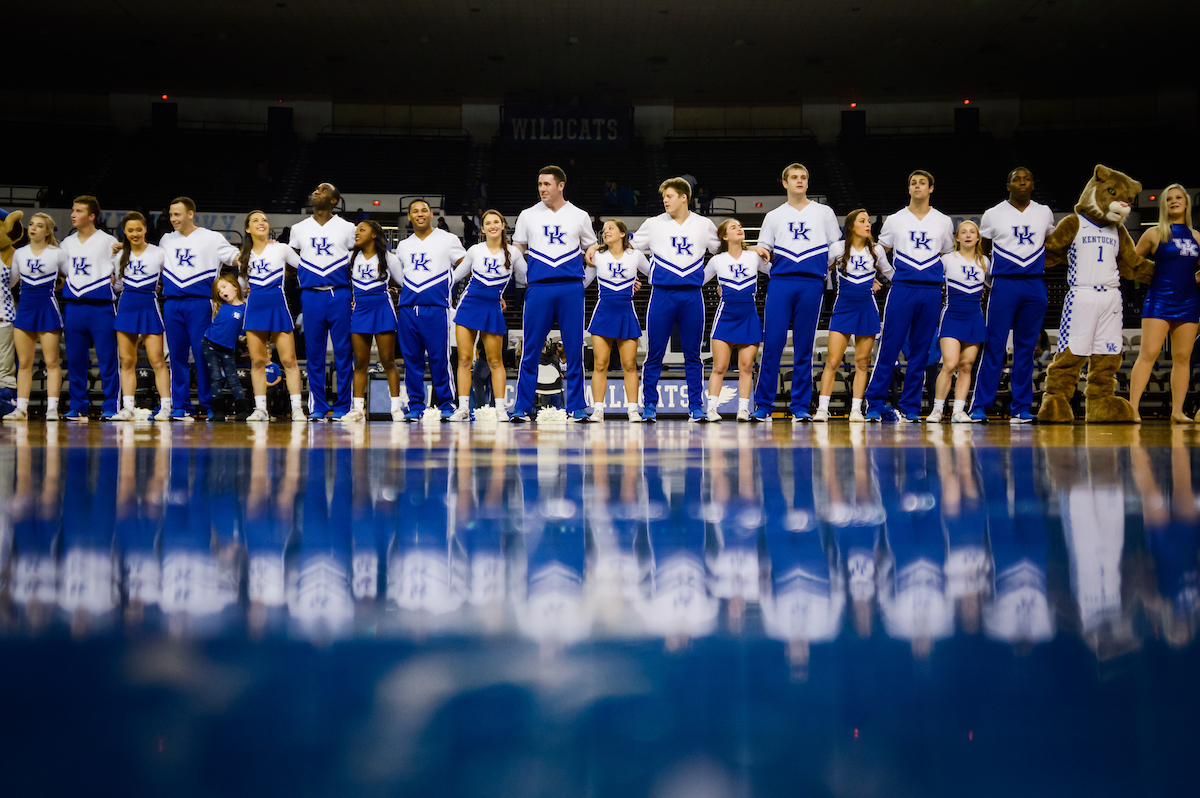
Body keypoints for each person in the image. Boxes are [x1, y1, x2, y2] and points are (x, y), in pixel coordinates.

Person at [750, 163, 842, 422]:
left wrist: (829, 265)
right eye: (794, 177)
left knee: (805, 346)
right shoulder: (774, 215)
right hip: (780, 283)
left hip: (812, 284)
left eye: (803, 177)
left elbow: (837, 246)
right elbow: (763, 249)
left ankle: (800, 407)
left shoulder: (824, 213)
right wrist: (763, 252)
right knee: (773, 344)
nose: (799, 181)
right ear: (785, 183)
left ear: (807, 182)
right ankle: (764, 406)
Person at [863, 171, 955, 422]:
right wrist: (882, 273)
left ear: (931, 188)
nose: (917, 186)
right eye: (913, 182)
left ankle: (911, 406)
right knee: (889, 346)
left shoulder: (944, 221)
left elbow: (948, 255)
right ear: (909, 188)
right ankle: (875, 403)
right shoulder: (895, 219)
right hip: (902, 288)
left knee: (922, 350)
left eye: (922, 183)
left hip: (932, 289)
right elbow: (879, 249)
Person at [968, 168, 1057, 423]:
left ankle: (1021, 408)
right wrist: (989, 280)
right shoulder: (993, 214)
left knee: (1026, 349)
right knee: (994, 346)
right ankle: (980, 406)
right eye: (1016, 179)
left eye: (1026, 179)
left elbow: (1053, 246)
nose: (1021, 182)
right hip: (1003, 284)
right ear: (1008, 185)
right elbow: (981, 251)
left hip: (1034, 284)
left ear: (1032, 185)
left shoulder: (1044, 212)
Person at [627, 177, 719, 422]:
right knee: (654, 354)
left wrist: (750, 250)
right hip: (662, 294)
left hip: (692, 295)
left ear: (683, 197)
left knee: (693, 355)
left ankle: (696, 407)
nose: (665, 200)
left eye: (669, 196)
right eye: (663, 197)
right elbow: (627, 251)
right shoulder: (653, 223)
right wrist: (627, 276)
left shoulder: (704, 224)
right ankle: (649, 407)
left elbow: (726, 252)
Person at [510, 166, 597, 422]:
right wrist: (527, 274)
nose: (542, 189)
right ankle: (522, 407)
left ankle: (577, 407)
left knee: (574, 349)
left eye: (547, 184)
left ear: (561, 186)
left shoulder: (580, 215)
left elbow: (591, 245)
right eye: (539, 184)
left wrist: (591, 251)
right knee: (531, 350)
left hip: (571, 287)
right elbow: (517, 249)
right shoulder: (527, 215)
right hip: (539, 288)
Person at [159, 196, 240, 420]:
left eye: (177, 214)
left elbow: (237, 257)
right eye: (171, 215)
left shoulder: (212, 238)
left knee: (205, 356)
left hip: (201, 302)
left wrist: (263, 246)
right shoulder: (165, 239)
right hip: (172, 302)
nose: (173, 218)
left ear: (190, 214)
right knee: (176, 357)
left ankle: (211, 404)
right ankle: (181, 405)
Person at [1130, 184, 1200, 422]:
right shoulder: (1154, 233)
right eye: (1168, 199)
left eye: (1178, 197)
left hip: (1188, 301)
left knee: (1182, 357)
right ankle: (1132, 408)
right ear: (1163, 204)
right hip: (1159, 299)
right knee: (1148, 353)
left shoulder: (1197, 236)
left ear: (1186, 203)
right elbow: (1131, 262)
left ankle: (1177, 411)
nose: (1173, 201)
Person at [448, 209, 526, 421]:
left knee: (495, 360)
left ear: (503, 225)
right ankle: (463, 408)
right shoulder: (474, 250)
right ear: (482, 229)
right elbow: (455, 276)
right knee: (464, 359)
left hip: (492, 307)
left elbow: (527, 277)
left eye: (496, 222)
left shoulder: (514, 253)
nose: (492, 226)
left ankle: (500, 408)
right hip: (469, 305)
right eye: (488, 223)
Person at [394, 198, 467, 421]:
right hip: (408, 309)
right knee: (411, 360)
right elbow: (398, 275)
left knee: (439, 359)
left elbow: (467, 261)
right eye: (414, 211)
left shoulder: (448, 239)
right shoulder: (403, 245)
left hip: (436, 308)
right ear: (409, 217)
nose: (420, 214)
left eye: (424, 210)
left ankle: (446, 404)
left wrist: (450, 281)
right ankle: (415, 406)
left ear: (431, 213)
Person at [815, 209, 891, 422]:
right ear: (851, 226)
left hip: (867, 308)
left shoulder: (876, 250)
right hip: (843, 308)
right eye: (862, 221)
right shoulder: (838, 248)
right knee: (833, 361)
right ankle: (822, 409)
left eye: (868, 221)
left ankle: (856, 409)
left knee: (862, 363)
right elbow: (819, 269)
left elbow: (892, 274)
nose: (868, 225)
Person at [290, 183, 357, 420]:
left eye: (324, 190)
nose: (316, 191)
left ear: (334, 201)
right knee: (314, 354)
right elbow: (291, 258)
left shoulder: (348, 227)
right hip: (310, 295)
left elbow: (357, 255)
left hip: (339, 293)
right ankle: (318, 406)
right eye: (315, 189)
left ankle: (342, 407)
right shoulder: (298, 228)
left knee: (343, 353)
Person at [239, 210, 306, 422]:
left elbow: (304, 265)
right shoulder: (243, 255)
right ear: (248, 229)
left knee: (289, 360)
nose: (261, 223)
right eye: (255, 221)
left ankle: (297, 409)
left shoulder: (281, 248)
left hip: (278, 306)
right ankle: (260, 409)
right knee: (258, 361)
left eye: (264, 220)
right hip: (255, 308)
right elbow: (241, 286)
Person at [59, 195, 120, 420]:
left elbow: (119, 272)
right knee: (75, 360)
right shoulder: (66, 243)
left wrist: (115, 285)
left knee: (107, 360)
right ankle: (78, 406)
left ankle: (111, 406)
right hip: (74, 306)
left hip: (101, 307)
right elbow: (64, 272)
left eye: (78, 211)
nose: (73, 214)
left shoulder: (109, 241)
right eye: (73, 210)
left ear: (92, 216)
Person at [340, 220, 404, 423]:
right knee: (360, 362)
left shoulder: (388, 258)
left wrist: (395, 293)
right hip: (359, 309)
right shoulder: (350, 257)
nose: (356, 233)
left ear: (374, 235)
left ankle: (396, 408)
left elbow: (405, 283)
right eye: (356, 230)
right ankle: (357, 409)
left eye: (361, 229)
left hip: (382, 308)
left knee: (387, 360)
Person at [111, 212, 172, 421]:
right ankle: (128, 407)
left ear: (145, 229)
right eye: (130, 230)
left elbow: (171, 276)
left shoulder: (159, 253)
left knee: (157, 360)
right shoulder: (119, 256)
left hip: (149, 305)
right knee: (127, 361)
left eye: (139, 229)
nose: (135, 234)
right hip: (126, 305)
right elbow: (117, 285)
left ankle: (166, 407)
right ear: (124, 233)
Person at [4, 213, 65, 420]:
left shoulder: (57, 253)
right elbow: (11, 282)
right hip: (25, 308)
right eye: (31, 224)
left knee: (51, 362)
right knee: (24, 363)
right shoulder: (19, 253)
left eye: (39, 226)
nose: (33, 228)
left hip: (47, 306)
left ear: (47, 231)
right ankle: (21, 409)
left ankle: (52, 409)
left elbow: (73, 276)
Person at [928, 221, 989, 423]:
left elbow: (993, 285)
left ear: (978, 237)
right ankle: (937, 409)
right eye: (963, 232)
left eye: (972, 232)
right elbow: (931, 279)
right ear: (957, 237)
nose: (968, 235)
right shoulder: (947, 259)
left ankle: (958, 411)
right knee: (950, 363)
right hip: (952, 315)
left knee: (966, 365)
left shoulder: (985, 262)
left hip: (974, 316)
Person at [585, 218, 646, 422]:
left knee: (629, 364)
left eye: (611, 228)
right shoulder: (598, 256)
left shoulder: (635, 255)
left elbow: (654, 274)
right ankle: (598, 410)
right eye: (603, 230)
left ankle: (632, 410)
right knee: (600, 364)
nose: (605, 232)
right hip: (603, 311)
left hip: (626, 312)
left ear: (623, 233)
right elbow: (584, 281)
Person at [704, 219, 763, 422]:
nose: (740, 228)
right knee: (719, 367)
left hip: (749, 316)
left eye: (740, 225)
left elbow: (778, 272)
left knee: (746, 367)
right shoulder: (717, 260)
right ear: (725, 236)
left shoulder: (754, 256)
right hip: (725, 317)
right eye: (733, 227)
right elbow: (696, 281)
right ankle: (711, 408)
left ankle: (743, 409)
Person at [202, 275, 250, 420]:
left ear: (235, 286)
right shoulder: (219, 306)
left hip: (228, 348)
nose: (221, 292)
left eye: (224, 287)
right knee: (215, 378)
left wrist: (243, 337)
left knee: (233, 378)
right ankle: (219, 412)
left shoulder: (245, 307)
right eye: (218, 290)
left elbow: (243, 329)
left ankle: (242, 410)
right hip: (209, 344)